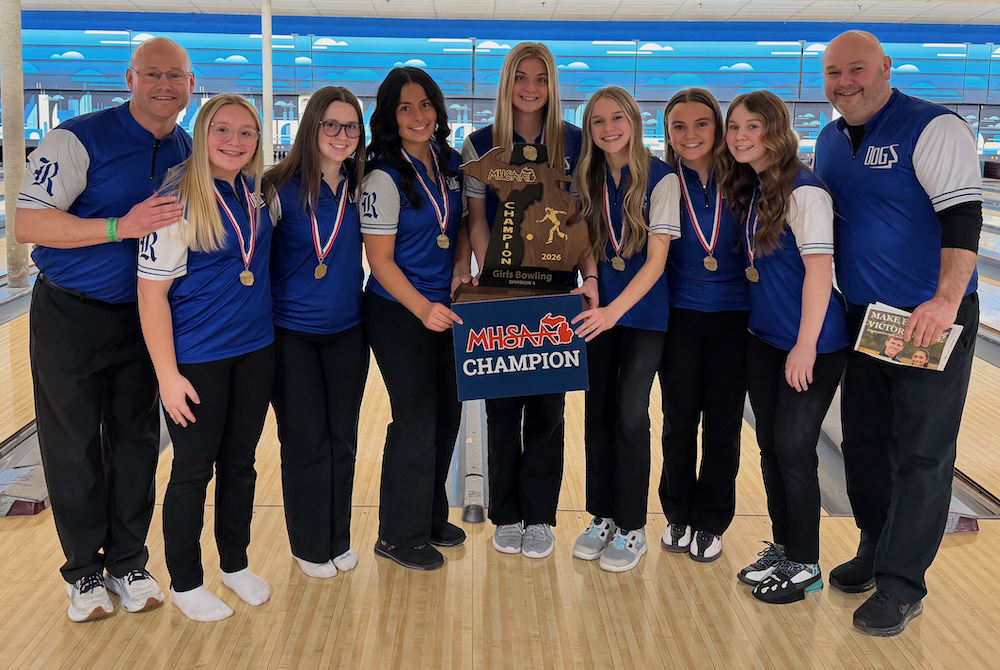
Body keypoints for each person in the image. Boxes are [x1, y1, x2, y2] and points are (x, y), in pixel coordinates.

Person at [15, 37, 193, 622]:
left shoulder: (188, 147)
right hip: (71, 312)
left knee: (137, 443)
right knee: (72, 445)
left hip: (143, 318)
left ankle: (128, 561)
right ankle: (84, 572)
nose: (165, 85)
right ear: (129, 78)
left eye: (176, 76)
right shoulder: (77, 137)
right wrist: (121, 226)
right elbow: (28, 223)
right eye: (153, 74)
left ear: (191, 86)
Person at [816, 30, 982, 636]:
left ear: (886, 68)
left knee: (920, 450)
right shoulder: (829, 141)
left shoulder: (933, 127)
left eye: (856, 69)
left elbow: (963, 217)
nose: (845, 83)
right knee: (863, 443)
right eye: (834, 73)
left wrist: (942, 300)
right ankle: (875, 545)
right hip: (866, 316)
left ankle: (902, 583)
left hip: (926, 319)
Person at [137, 94, 274, 622]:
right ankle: (186, 581)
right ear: (201, 133)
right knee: (194, 470)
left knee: (241, 465)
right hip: (198, 359)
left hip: (256, 352)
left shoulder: (255, 193)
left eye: (246, 133)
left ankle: (235, 563)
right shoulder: (175, 198)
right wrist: (167, 376)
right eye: (223, 130)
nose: (235, 141)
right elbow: (151, 296)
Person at [460, 42, 590, 559]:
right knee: (500, 411)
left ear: (552, 85)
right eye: (522, 77)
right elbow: (475, 219)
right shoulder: (478, 143)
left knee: (546, 411)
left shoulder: (576, 143)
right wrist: (499, 278)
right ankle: (506, 515)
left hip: (556, 289)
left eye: (541, 78)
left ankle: (539, 516)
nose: (531, 87)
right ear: (507, 83)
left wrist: (590, 276)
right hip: (500, 290)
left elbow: (584, 222)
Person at [719, 91, 850, 604]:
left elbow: (819, 274)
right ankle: (785, 545)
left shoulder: (804, 193)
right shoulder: (758, 186)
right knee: (772, 448)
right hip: (766, 340)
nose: (740, 136)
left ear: (776, 131)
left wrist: (805, 346)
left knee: (795, 451)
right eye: (734, 127)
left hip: (811, 344)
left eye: (753, 126)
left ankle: (807, 563)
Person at [361, 67, 470, 571]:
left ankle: (429, 518)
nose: (418, 115)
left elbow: (463, 225)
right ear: (389, 115)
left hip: (444, 309)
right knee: (417, 420)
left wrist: (460, 266)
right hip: (398, 310)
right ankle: (397, 536)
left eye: (425, 104)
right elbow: (380, 260)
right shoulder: (383, 175)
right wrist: (422, 307)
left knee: (448, 414)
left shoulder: (449, 163)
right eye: (405, 107)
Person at [570, 86, 680, 573]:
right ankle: (603, 516)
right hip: (600, 313)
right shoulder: (588, 176)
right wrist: (591, 279)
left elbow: (656, 261)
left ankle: (633, 526)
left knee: (632, 414)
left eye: (617, 118)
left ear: (634, 122)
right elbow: (589, 241)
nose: (608, 128)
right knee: (599, 413)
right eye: (597, 121)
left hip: (642, 318)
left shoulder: (662, 179)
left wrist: (614, 311)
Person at [263, 87, 368, 579]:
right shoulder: (276, 188)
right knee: (306, 442)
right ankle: (309, 545)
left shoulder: (363, 184)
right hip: (291, 334)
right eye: (332, 125)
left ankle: (338, 537)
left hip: (348, 331)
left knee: (342, 439)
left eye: (351, 127)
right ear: (312, 127)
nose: (342, 135)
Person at [658, 88, 750, 564]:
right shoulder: (659, 180)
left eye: (700, 124)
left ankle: (711, 520)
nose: (689, 135)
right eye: (678, 126)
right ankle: (676, 511)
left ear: (717, 127)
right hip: (679, 317)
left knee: (723, 426)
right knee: (678, 422)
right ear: (666, 132)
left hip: (736, 319)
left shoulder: (745, 179)